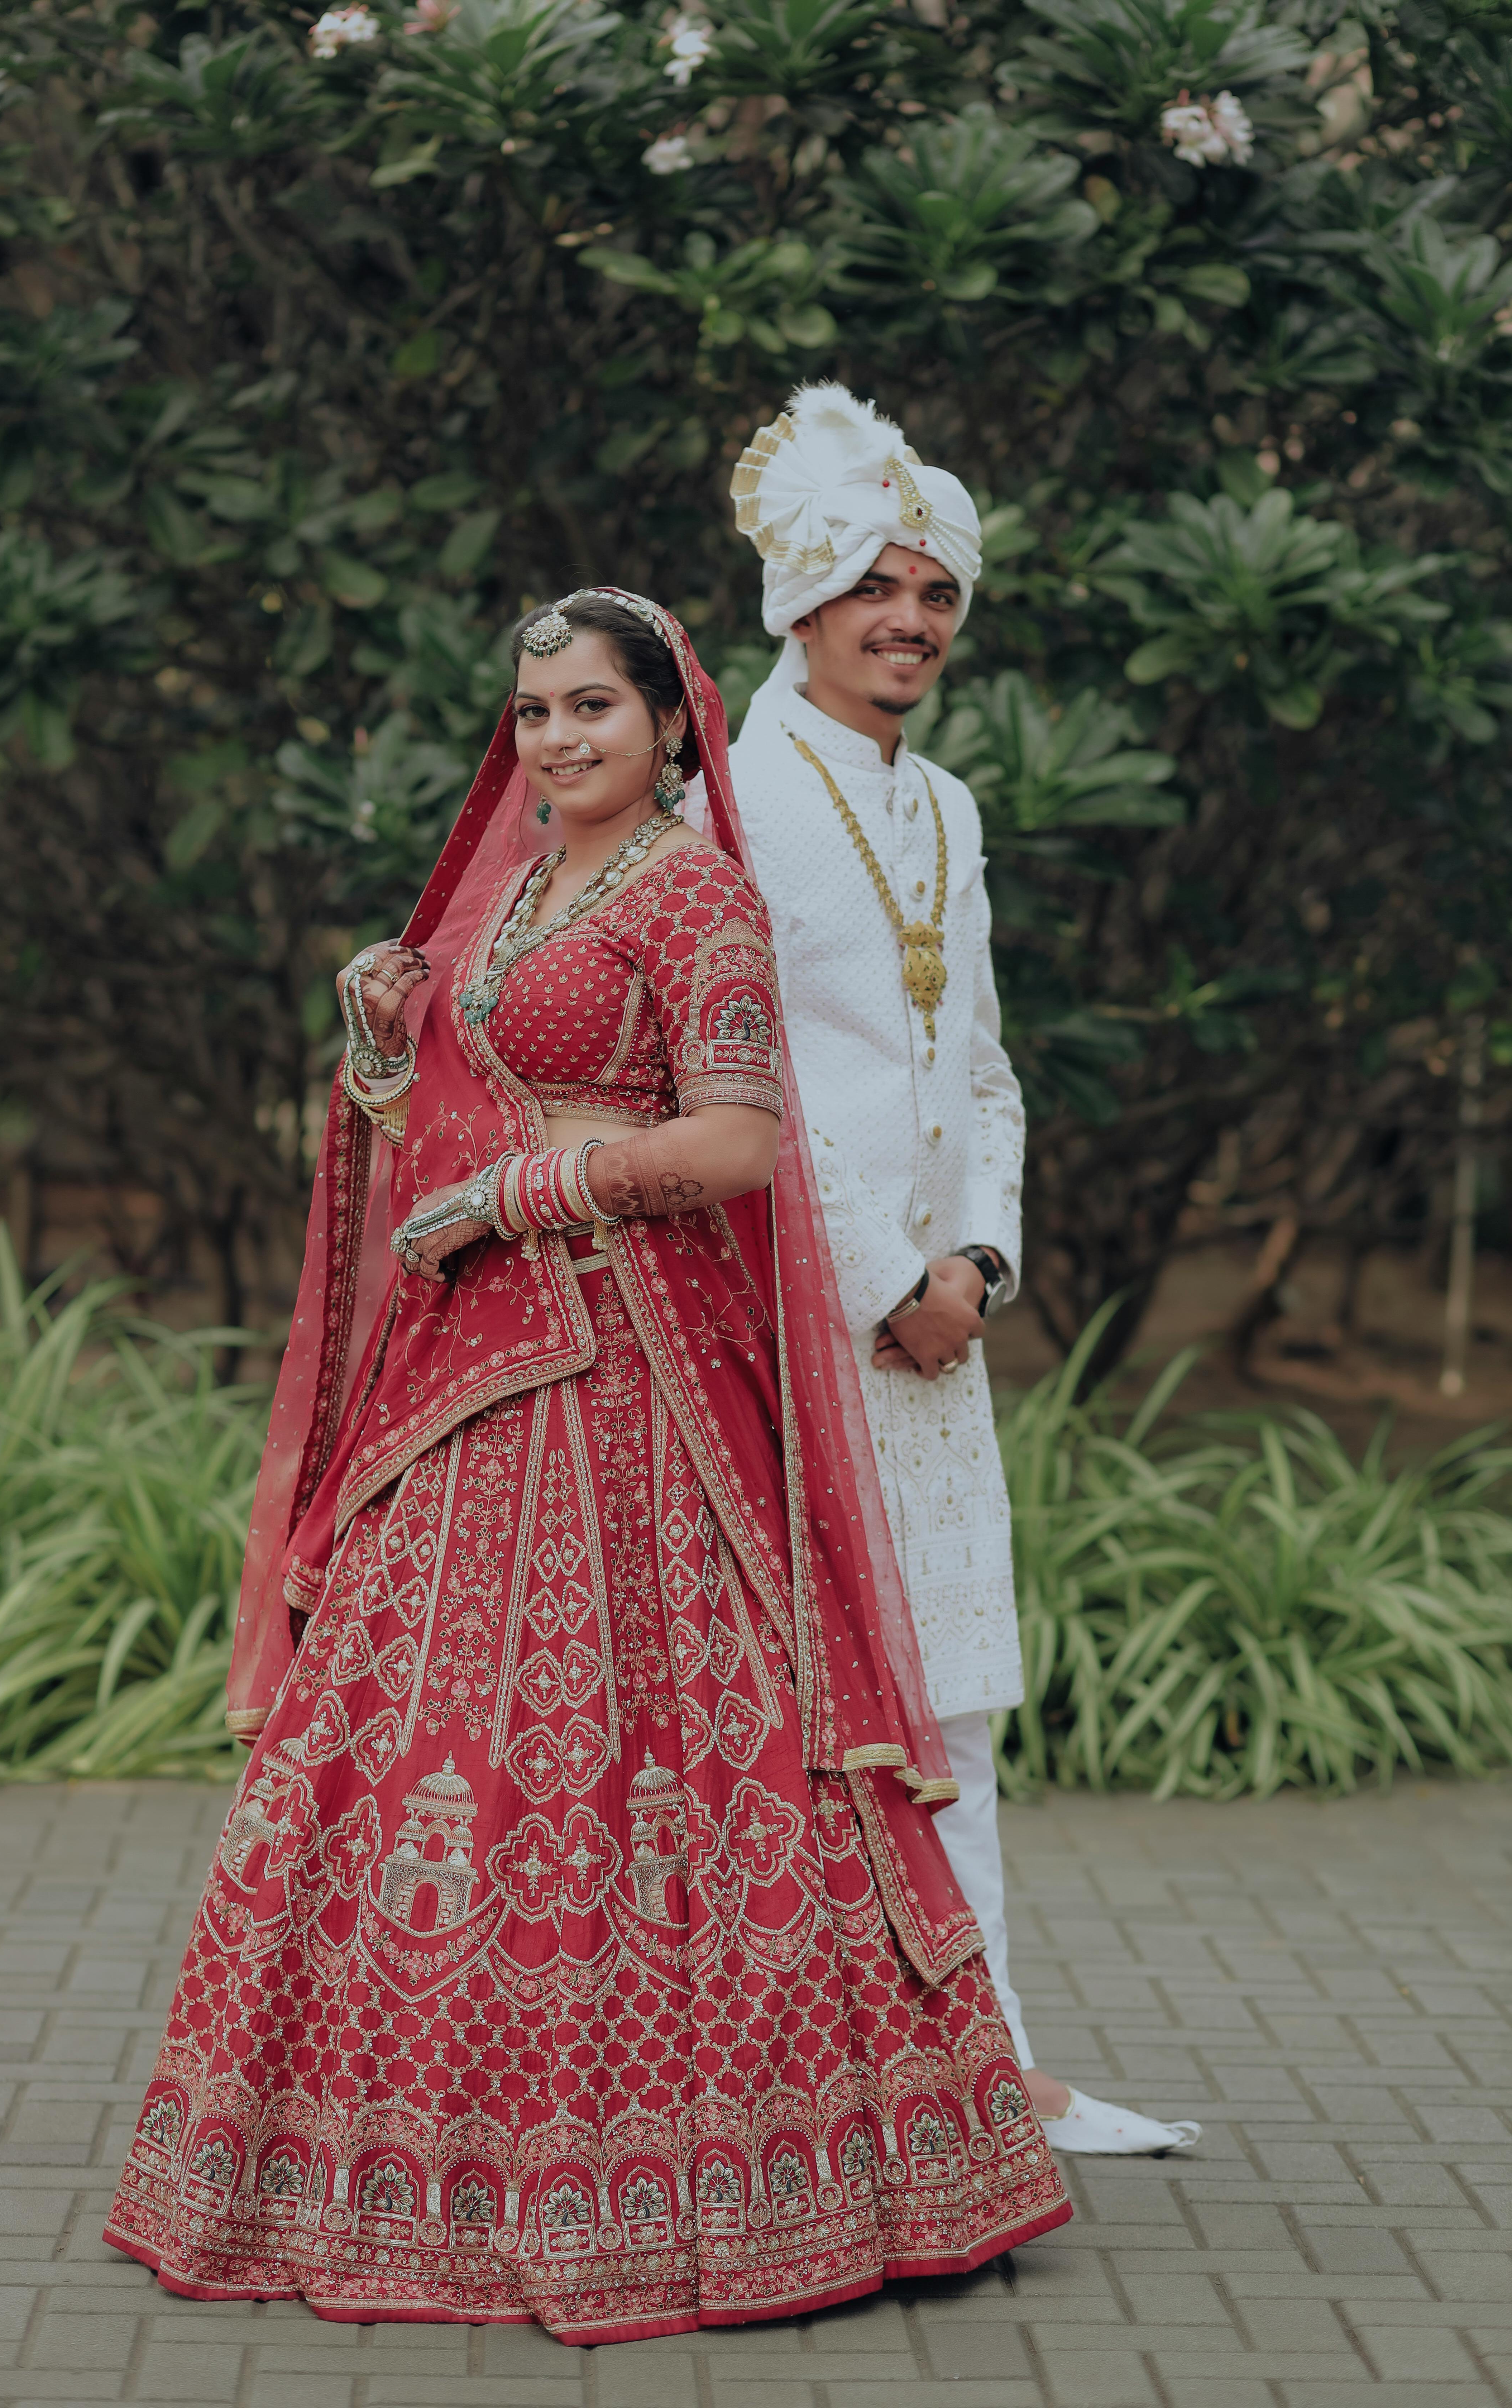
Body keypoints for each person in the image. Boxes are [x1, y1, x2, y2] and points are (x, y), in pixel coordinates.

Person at [104, 587, 1071, 2343]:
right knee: (409, 1736)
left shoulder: (697, 893)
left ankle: (751, 2173)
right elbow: (462, 1114)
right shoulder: (524, 890)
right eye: (534, 712)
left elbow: (740, 1141)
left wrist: (529, 1189)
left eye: (590, 710)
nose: (553, 739)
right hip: (482, 1361)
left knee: (651, 1741)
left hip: (637, 1378)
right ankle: (369, 2162)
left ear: (671, 724)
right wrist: (385, 1050)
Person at [727, 386, 1201, 2157]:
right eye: (875, 587)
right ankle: (801, 2083)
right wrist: (886, 1276)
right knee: (792, 1708)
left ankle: (989, 2072)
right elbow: (749, 1076)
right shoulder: (732, 802)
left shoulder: (945, 803)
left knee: (950, 1700)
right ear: (800, 604)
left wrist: (978, 1261)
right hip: (787, 1320)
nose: (911, 620)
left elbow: (982, 1069)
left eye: (936, 593)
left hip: (937, 1322)